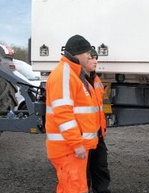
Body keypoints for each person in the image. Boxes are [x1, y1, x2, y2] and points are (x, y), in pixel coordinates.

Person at [45, 35, 100, 193]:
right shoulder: (64, 75)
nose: (90, 56)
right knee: (74, 189)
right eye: (87, 53)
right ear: (77, 54)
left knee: (71, 188)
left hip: (70, 149)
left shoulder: (71, 74)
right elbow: (63, 114)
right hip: (69, 149)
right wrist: (76, 144)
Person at [84, 47, 111, 193]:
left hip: (97, 136)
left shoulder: (96, 80)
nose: (95, 62)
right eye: (91, 59)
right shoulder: (77, 80)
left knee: (101, 171)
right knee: (83, 176)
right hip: (83, 139)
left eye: (96, 59)